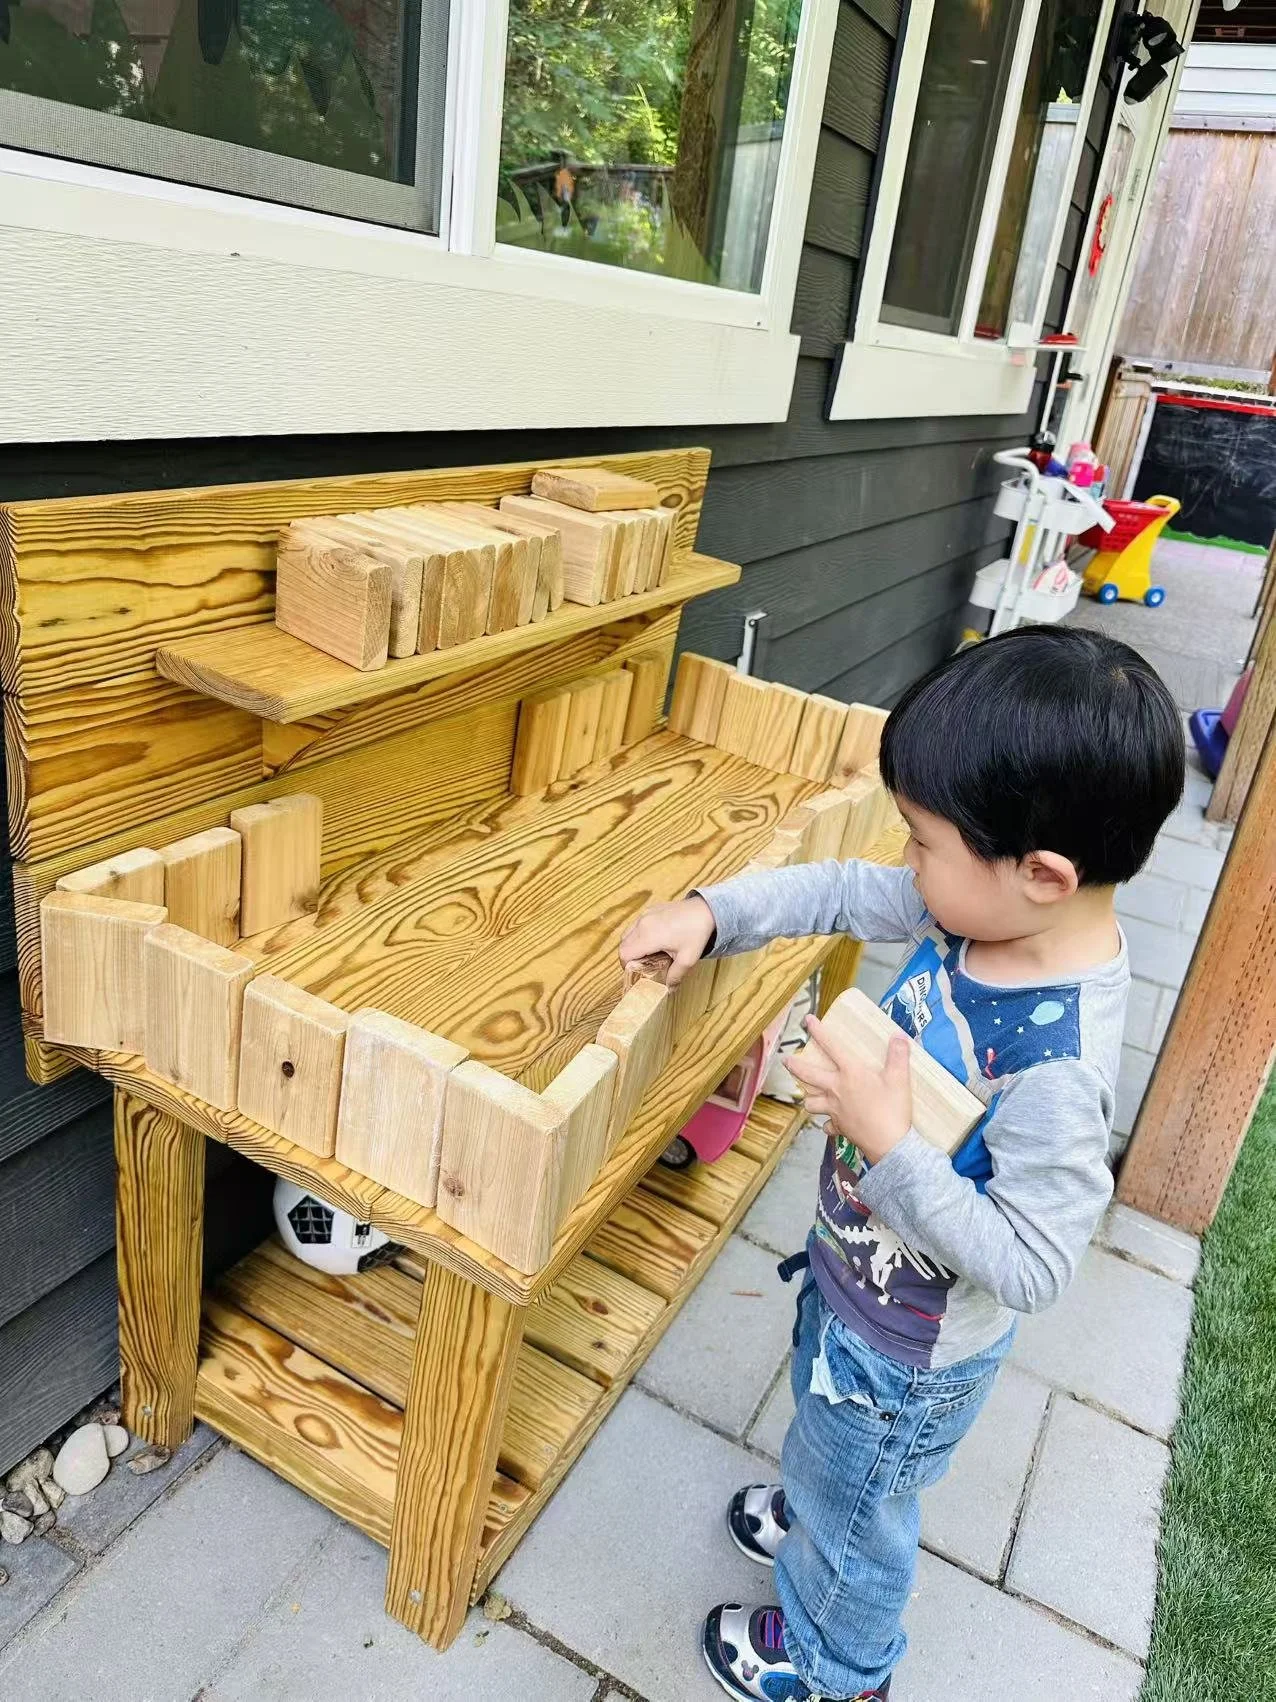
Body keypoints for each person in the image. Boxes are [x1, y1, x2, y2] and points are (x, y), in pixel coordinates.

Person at [619, 626, 1184, 1701]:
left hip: (904, 1358)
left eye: (923, 842)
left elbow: (1032, 1267)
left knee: (862, 1515)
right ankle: (817, 1504)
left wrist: (888, 1143)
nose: (907, 865)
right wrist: (712, 912)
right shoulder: (979, 913)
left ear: (1042, 873)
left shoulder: (1054, 1067)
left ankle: (833, 1664)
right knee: (832, 1454)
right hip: (856, 1295)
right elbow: (836, 890)